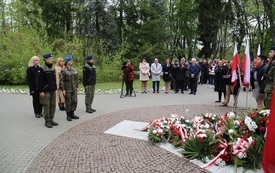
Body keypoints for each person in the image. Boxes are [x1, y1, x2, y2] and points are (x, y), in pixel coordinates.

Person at [37, 53, 58, 128]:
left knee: (53, 105)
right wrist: (40, 91)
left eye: (51, 58)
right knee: (47, 106)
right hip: (45, 91)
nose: (51, 59)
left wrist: (55, 87)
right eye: (49, 58)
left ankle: (51, 119)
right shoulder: (42, 68)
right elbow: (39, 81)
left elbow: (54, 79)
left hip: (52, 89)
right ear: (45, 59)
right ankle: (47, 121)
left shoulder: (52, 68)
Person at [60, 55, 79, 121]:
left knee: (74, 101)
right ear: (67, 62)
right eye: (70, 60)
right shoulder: (63, 70)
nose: (71, 61)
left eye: (71, 60)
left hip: (73, 88)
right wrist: (63, 89)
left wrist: (77, 87)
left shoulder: (73, 69)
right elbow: (62, 80)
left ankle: (72, 113)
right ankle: (68, 115)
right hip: (67, 88)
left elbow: (76, 79)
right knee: (68, 102)